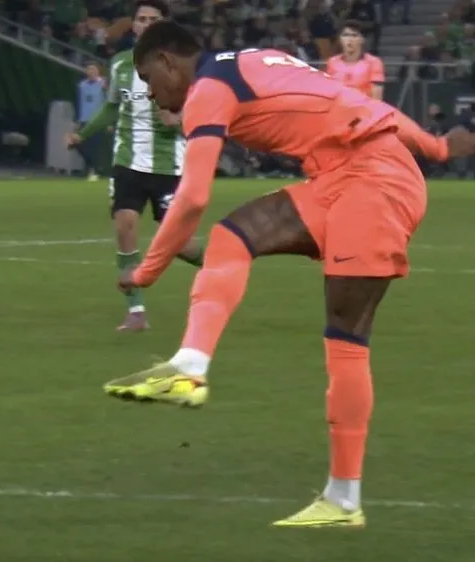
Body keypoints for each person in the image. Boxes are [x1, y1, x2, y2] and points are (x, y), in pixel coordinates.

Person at [103, 21, 475, 528]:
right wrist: (435, 148)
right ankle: (189, 366)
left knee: (345, 336)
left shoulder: (207, 90)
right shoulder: (254, 61)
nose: (149, 91)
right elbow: (362, 106)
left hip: (376, 185)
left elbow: (192, 196)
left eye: (148, 77)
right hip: (341, 175)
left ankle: (343, 500)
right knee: (233, 236)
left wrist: (148, 270)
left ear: (168, 61)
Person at [65, 0, 203, 332]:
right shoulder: (120, 65)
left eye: (153, 19)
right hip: (128, 160)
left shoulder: (182, 65)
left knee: (179, 244)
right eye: (141, 19)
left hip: (169, 164)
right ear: (134, 25)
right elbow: (112, 107)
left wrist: (179, 120)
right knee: (125, 227)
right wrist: (82, 133)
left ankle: (218, 265)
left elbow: (201, 109)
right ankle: (136, 312)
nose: (146, 24)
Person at [326, 21, 384, 100]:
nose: (349, 39)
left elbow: (377, 99)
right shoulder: (332, 62)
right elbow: (329, 92)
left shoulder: (374, 62)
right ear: (339, 39)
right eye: (345, 35)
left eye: (354, 35)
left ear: (362, 39)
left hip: (363, 106)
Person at [74, 62, 104, 181]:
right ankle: (90, 166)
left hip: (97, 120)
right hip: (84, 120)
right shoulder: (82, 86)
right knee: (78, 144)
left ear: (98, 72)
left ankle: (93, 170)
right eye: (89, 70)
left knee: (94, 146)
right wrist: (77, 120)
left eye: (94, 70)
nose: (91, 72)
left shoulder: (103, 85)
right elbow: (78, 103)